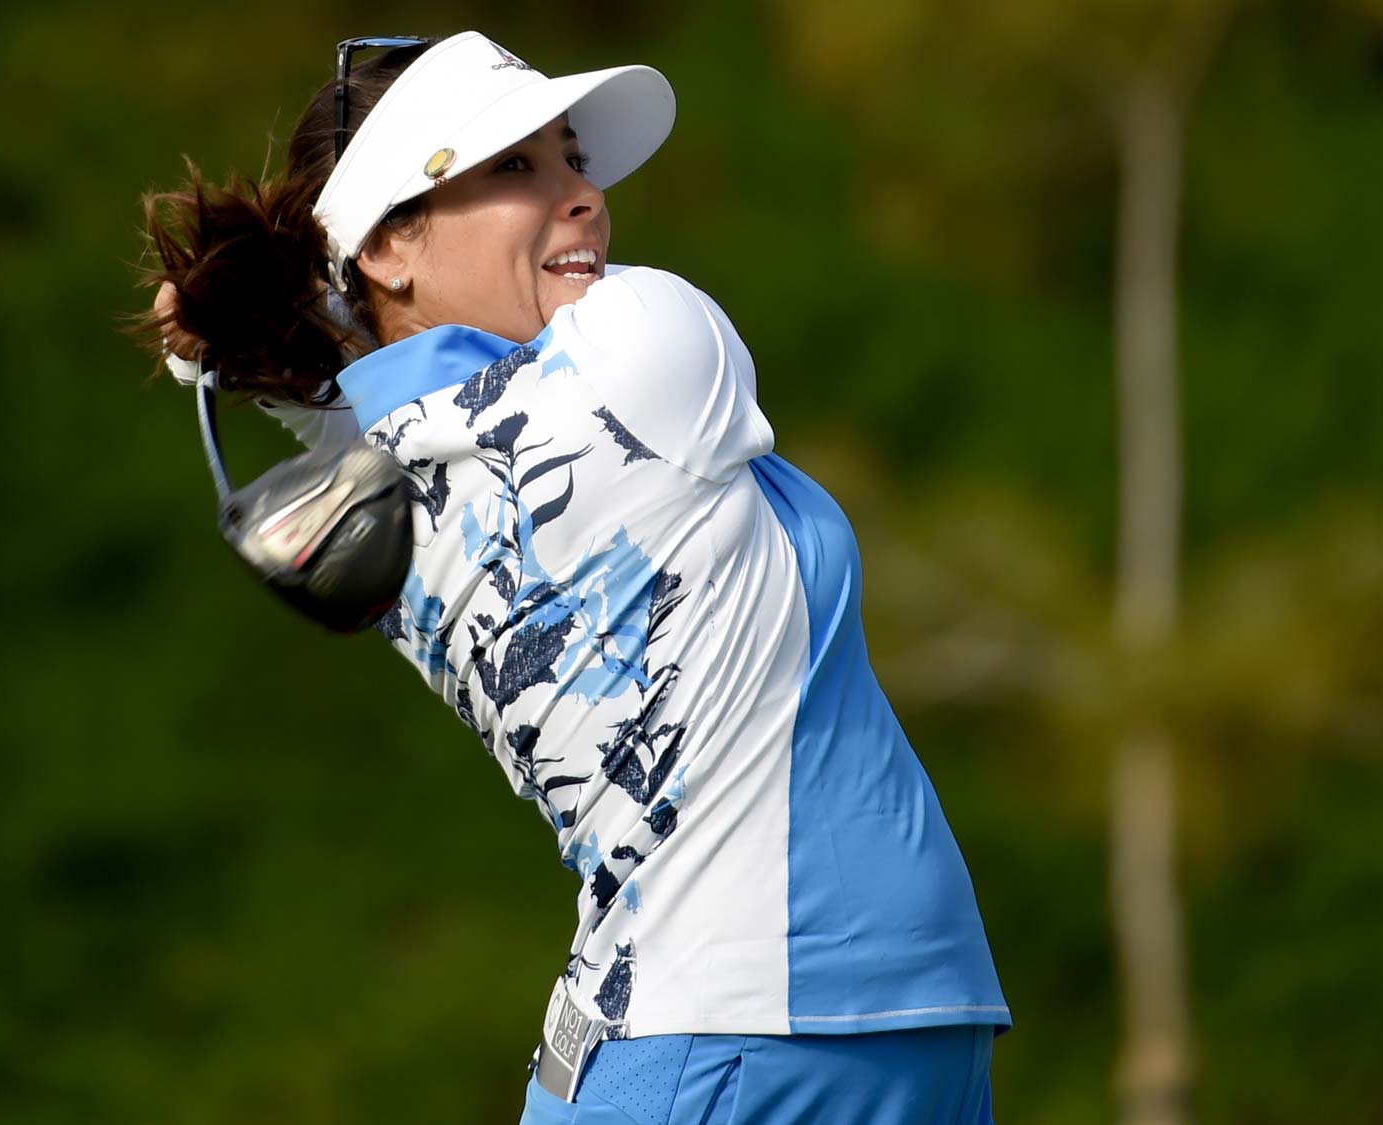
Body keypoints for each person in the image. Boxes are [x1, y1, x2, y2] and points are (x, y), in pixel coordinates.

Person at [139, 31, 1010, 1124]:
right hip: (733, 1039)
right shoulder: (645, 350)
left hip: (830, 1026)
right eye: (513, 168)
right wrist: (258, 320)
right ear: (388, 247)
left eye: (572, 160)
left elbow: (351, 384)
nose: (582, 196)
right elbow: (391, 376)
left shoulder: (371, 471)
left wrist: (243, 326)